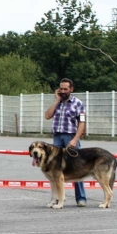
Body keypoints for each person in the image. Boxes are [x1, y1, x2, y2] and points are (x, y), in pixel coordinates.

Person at [44, 78, 87, 207]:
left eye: (65, 89)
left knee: (76, 167)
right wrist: (57, 100)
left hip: (70, 137)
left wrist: (75, 139)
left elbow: (82, 123)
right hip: (57, 137)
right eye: (60, 89)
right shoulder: (57, 103)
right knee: (54, 169)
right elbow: (47, 116)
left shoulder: (78, 103)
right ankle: (57, 198)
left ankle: (81, 198)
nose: (62, 91)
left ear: (71, 89)